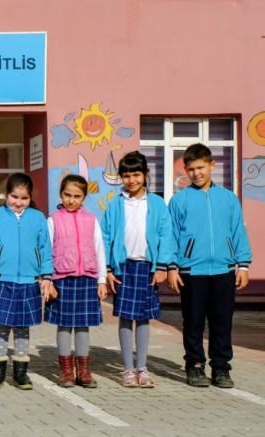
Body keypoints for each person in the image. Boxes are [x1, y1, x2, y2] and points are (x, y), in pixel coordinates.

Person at [167, 143, 252, 389]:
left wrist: (243, 265)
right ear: (185, 170)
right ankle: (195, 366)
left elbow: (238, 232)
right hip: (192, 272)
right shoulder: (179, 201)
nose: (196, 173)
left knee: (222, 322)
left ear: (212, 165)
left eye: (201, 167)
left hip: (225, 271)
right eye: (191, 169)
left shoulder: (228, 198)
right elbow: (171, 236)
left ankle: (221, 368)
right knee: (193, 322)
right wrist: (171, 267)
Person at [101, 151, 175, 388]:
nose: (131, 180)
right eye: (126, 175)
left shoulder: (156, 203)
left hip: (147, 268)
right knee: (125, 317)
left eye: (136, 175)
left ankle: (142, 368)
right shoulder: (115, 204)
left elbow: (166, 235)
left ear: (145, 174)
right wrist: (107, 269)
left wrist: (162, 266)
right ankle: (127, 369)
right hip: (123, 268)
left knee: (143, 318)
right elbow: (105, 237)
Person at [0, 173, 53, 390]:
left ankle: (21, 374)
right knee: (1, 328)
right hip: (1, 280)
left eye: (24, 198)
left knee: (22, 329)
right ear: (6, 194)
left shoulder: (38, 218)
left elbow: (45, 248)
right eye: (14, 197)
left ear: (30, 197)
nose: (18, 202)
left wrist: (47, 276)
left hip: (29, 281)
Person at [44, 175, 107, 388]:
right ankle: (66, 371)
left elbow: (99, 249)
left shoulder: (91, 220)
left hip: (87, 278)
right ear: (60, 194)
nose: (71, 200)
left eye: (77, 196)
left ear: (84, 197)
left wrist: (101, 280)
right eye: (67, 195)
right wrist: (48, 280)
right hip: (62, 278)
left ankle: (84, 371)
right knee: (64, 325)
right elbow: (46, 251)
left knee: (83, 326)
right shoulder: (53, 220)